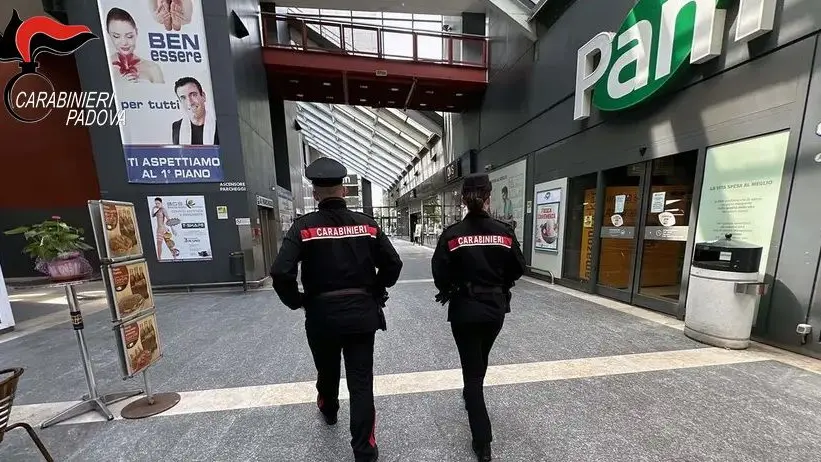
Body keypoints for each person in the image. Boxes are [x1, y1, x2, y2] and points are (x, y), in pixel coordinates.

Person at [271, 157, 403, 462]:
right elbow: (393, 263)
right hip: (361, 314)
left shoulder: (303, 228)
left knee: (327, 369)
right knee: (360, 382)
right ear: (344, 189)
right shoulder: (367, 225)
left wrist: (297, 301)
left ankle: (329, 409)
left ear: (316, 193)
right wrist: (377, 289)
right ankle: (365, 451)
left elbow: (281, 271)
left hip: (321, 316)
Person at [431, 173, 526, 462]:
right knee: (480, 359)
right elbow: (519, 268)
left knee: (472, 373)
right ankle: (473, 395)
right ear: (489, 197)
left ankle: (482, 441)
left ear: (463, 198)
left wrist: (455, 287)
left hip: (463, 308)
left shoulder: (452, 234)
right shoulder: (504, 232)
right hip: (495, 308)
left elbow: (439, 275)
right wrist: (500, 284)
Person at [106, 8, 164, 84]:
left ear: (136, 32)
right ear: (108, 34)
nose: (124, 43)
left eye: (129, 36)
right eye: (116, 36)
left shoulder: (152, 69)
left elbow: (162, 95)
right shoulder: (103, 67)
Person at [172, 77, 219, 145]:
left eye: (193, 95)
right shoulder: (177, 127)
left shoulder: (219, 126)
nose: (189, 102)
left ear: (203, 96)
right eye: (183, 98)